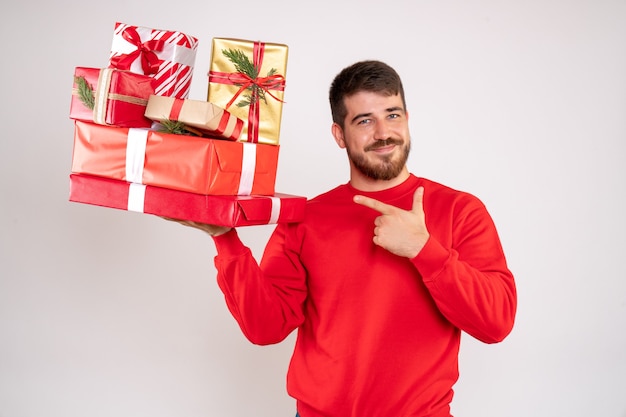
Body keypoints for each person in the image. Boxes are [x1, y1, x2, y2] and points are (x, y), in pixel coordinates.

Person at [172, 60, 517, 417]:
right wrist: (226, 238)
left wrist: (423, 249)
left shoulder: (460, 210)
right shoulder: (305, 219)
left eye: (393, 115)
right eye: (364, 121)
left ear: (407, 119)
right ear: (339, 135)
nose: (384, 132)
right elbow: (265, 328)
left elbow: (496, 323)